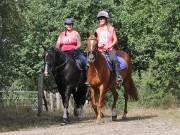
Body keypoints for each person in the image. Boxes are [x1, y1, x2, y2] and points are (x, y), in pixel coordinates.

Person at [96, 10, 121, 82]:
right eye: (100, 19)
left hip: (109, 50)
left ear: (106, 19)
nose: (101, 20)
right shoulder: (97, 30)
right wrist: (98, 45)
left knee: (114, 60)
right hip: (100, 51)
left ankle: (118, 76)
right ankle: (89, 78)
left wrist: (109, 46)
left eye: (103, 18)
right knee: (90, 60)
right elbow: (96, 41)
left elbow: (115, 39)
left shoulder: (111, 29)